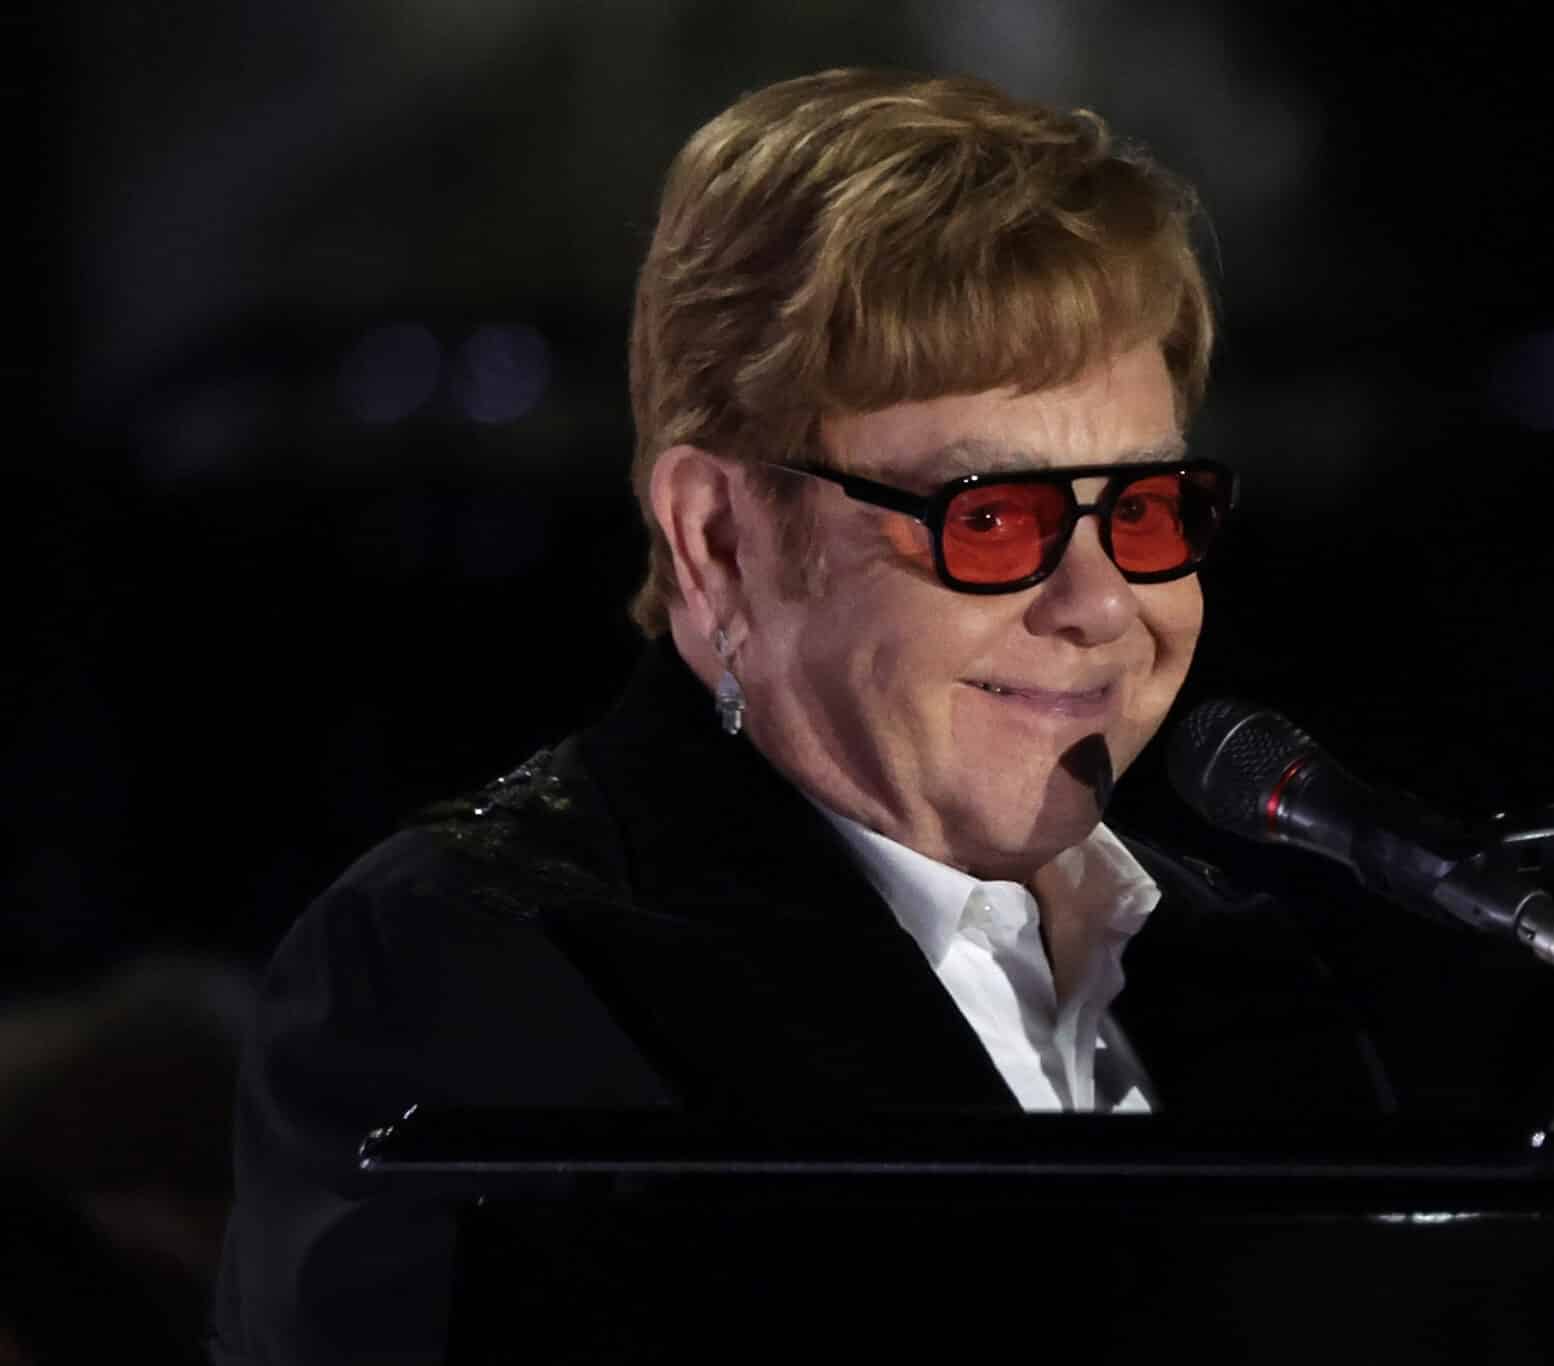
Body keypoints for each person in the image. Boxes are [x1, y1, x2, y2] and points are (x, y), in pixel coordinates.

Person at [208, 68, 1387, 1365]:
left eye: (1149, 511)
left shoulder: (1239, 978)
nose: (1103, 603)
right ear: (718, 538)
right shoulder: (462, 968)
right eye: (994, 517)